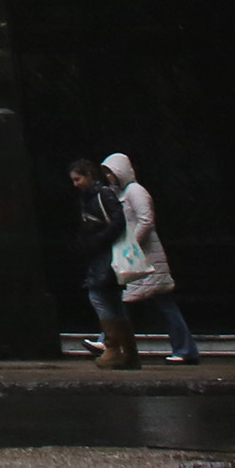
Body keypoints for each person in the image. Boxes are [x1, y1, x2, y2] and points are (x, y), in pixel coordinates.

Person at [104, 151, 201, 366]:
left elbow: (146, 220)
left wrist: (132, 245)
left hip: (144, 257)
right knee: (131, 300)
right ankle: (108, 342)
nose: (108, 176)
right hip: (138, 257)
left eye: (111, 172)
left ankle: (109, 342)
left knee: (155, 302)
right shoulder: (120, 193)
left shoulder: (135, 191)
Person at [68, 156, 137, 370]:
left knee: (98, 295)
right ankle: (128, 352)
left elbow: (118, 221)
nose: (75, 184)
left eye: (78, 179)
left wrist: (97, 240)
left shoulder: (102, 194)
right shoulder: (88, 196)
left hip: (105, 254)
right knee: (113, 301)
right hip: (99, 252)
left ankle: (114, 348)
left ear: (89, 176)